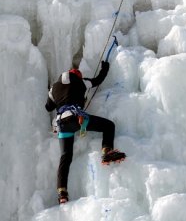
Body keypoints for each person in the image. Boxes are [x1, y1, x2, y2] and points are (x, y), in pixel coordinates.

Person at [46, 60, 126, 204]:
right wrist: (105, 68)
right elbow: (98, 80)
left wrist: (53, 93)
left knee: (65, 157)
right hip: (77, 119)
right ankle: (106, 151)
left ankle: (62, 193)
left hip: (62, 125)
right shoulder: (82, 82)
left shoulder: (53, 88)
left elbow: (48, 107)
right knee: (108, 126)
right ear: (77, 75)